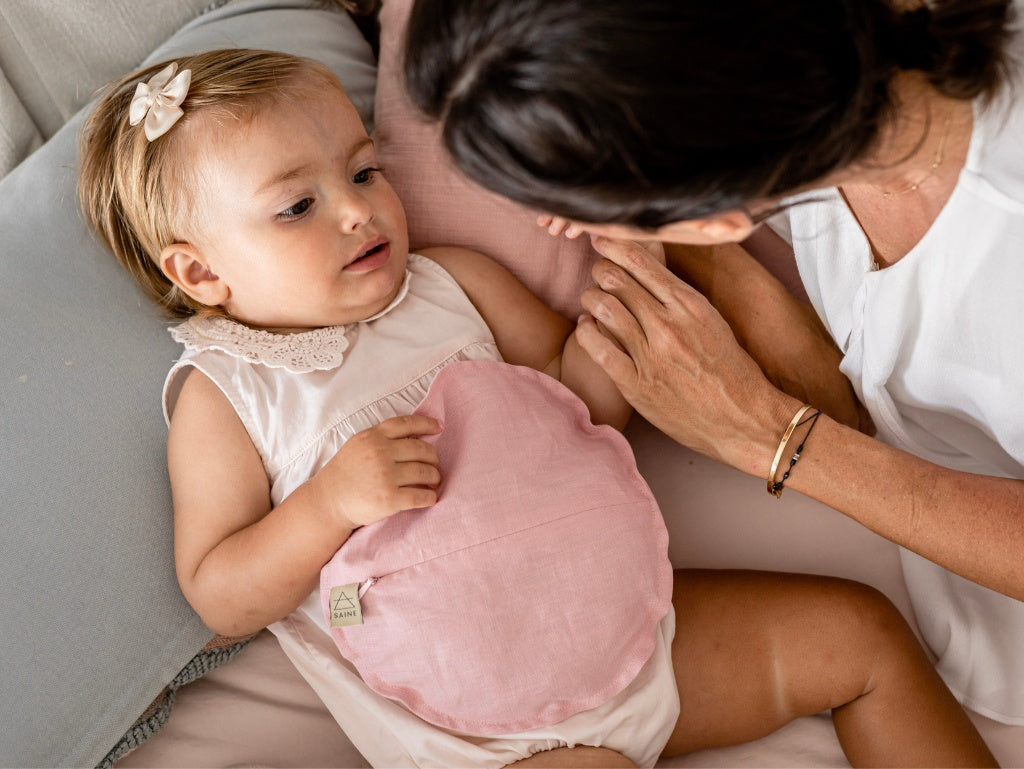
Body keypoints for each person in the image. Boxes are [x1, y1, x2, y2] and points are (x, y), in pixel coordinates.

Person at [78, 48, 996, 768]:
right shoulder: (230, 393)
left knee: (862, 635)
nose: (360, 213)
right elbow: (220, 591)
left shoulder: (454, 285)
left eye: (363, 172)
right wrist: (327, 505)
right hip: (504, 730)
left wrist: (626, 270)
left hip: (643, 627)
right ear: (199, 270)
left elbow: (581, 403)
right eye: (297, 207)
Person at [401, 0, 1024, 728]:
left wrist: (769, 437)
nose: (560, 228)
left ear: (715, 213)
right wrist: (735, 281)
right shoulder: (812, 85)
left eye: (573, 208)